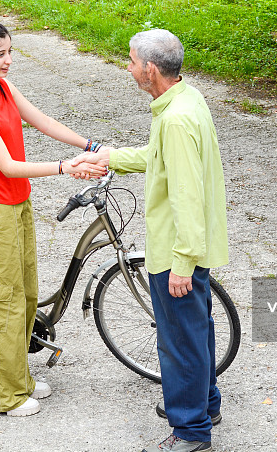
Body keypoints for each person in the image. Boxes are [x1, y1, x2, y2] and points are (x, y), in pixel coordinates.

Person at [74, 29, 229, 451]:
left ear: (150, 69)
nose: (127, 68)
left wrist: (181, 263)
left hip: (177, 251)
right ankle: (205, 404)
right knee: (196, 330)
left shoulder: (176, 119)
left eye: (130, 61)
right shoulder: (185, 99)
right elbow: (160, 158)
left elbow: (187, 197)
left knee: (178, 341)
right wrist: (110, 158)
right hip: (192, 247)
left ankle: (191, 431)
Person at [0, 17, 105, 417]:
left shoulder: (2, 87)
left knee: (25, 295)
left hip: (17, 204)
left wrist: (91, 145)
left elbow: (43, 121)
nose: (8, 60)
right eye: (0, 54)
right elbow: (6, 165)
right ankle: (0, 396)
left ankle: (18, 378)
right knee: (2, 301)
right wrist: (65, 167)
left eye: (9, 51)